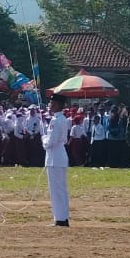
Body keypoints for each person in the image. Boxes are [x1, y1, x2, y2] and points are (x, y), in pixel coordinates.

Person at [43, 93, 71, 226]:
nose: (50, 105)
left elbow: (51, 142)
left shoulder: (55, 121)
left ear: (57, 105)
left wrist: (43, 140)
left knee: (56, 190)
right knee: (61, 189)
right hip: (60, 155)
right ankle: (63, 216)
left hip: (54, 157)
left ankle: (59, 218)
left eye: (52, 103)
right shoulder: (62, 119)